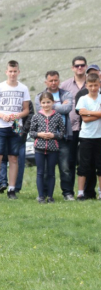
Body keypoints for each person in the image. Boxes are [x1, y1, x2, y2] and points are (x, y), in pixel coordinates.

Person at [0, 60, 30, 199]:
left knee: (14, 157)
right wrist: (2, 116)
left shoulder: (23, 88)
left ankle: (12, 189)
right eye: (10, 71)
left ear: (19, 72)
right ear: (6, 72)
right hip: (0, 125)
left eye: (15, 71)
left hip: (16, 125)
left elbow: (26, 110)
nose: (12, 74)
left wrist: (17, 115)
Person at [35, 71, 74, 200]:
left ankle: (67, 193)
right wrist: (59, 106)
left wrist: (52, 106)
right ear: (46, 82)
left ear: (59, 80)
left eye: (56, 80)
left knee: (65, 167)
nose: (53, 83)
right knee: (45, 169)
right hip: (44, 138)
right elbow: (39, 111)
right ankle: (45, 193)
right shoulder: (39, 96)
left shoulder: (66, 94)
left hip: (61, 136)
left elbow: (68, 108)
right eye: (51, 80)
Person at [29, 92, 65, 203]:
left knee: (51, 173)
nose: (46, 105)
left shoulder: (57, 116)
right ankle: (41, 196)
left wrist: (54, 135)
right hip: (39, 148)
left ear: (53, 102)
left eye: (48, 102)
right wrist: (39, 134)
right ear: (40, 104)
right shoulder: (36, 116)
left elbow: (62, 132)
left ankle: (50, 196)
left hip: (53, 148)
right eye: (43, 103)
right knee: (40, 172)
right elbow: (31, 132)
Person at [60, 56, 87, 195]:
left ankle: (87, 192)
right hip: (69, 128)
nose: (80, 68)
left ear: (86, 66)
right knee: (68, 161)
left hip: (87, 129)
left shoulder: (93, 84)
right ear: (72, 68)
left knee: (86, 161)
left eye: (82, 65)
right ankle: (68, 191)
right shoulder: (64, 86)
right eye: (77, 66)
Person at [74, 64, 101, 199]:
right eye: (90, 86)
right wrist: (96, 114)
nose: (93, 88)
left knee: (100, 166)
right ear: (86, 86)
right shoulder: (83, 99)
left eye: (95, 85)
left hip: (99, 136)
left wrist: (90, 112)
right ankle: (80, 193)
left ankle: (100, 192)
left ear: (99, 84)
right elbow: (84, 118)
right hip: (86, 136)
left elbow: (87, 114)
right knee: (84, 165)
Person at [0, 100, 34, 194]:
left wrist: (23, 131)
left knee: (18, 160)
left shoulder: (24, 97)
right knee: (1, 157)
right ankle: (2, 182)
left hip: (17, 127)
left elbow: (30, 115)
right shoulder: (2, 98)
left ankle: (15, 187)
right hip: (3, 127)